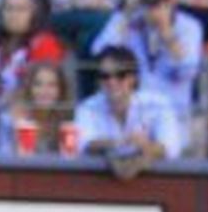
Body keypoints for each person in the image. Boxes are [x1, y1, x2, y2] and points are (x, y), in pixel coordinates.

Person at [89, 0, 203, 114]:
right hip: (128, 115)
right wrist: (126, 15)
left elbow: (187, 71)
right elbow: (99, 54)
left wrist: (166, 31)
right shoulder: (125, 19)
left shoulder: (189, 26)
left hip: (172, 116)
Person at [74, 43, 183, 178]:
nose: (112, 81)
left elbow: (171, 146)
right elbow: (83, 144)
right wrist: (121, 143)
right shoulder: (88, 107)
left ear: (133, 78)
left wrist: (145, 147)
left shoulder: (157, 104)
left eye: (120, 75)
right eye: (105, 76)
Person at [0, 0, 68, 107]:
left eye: (21, 9)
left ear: (34, 14)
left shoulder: (45, 43)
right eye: (8, 8)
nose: (14, 15)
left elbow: (41, 89)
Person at [0, 58, 76, 155]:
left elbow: (70, 160)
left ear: (61, 90)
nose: (44, 91)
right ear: (29, 88)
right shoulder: (12, 118)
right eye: (38, 84)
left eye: (52, 85)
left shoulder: (65, 119)